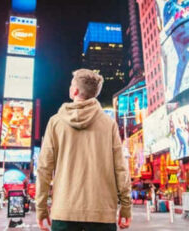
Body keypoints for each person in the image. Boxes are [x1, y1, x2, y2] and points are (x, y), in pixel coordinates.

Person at [36, 69, 132, 231]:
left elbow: (44, 169)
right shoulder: (109, 124)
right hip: (102, 214)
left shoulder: (55, 122)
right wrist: (126, 207)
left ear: (74, 90)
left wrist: (41, 208)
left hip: (64, 212)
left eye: (72, 84)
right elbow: (121, 169)